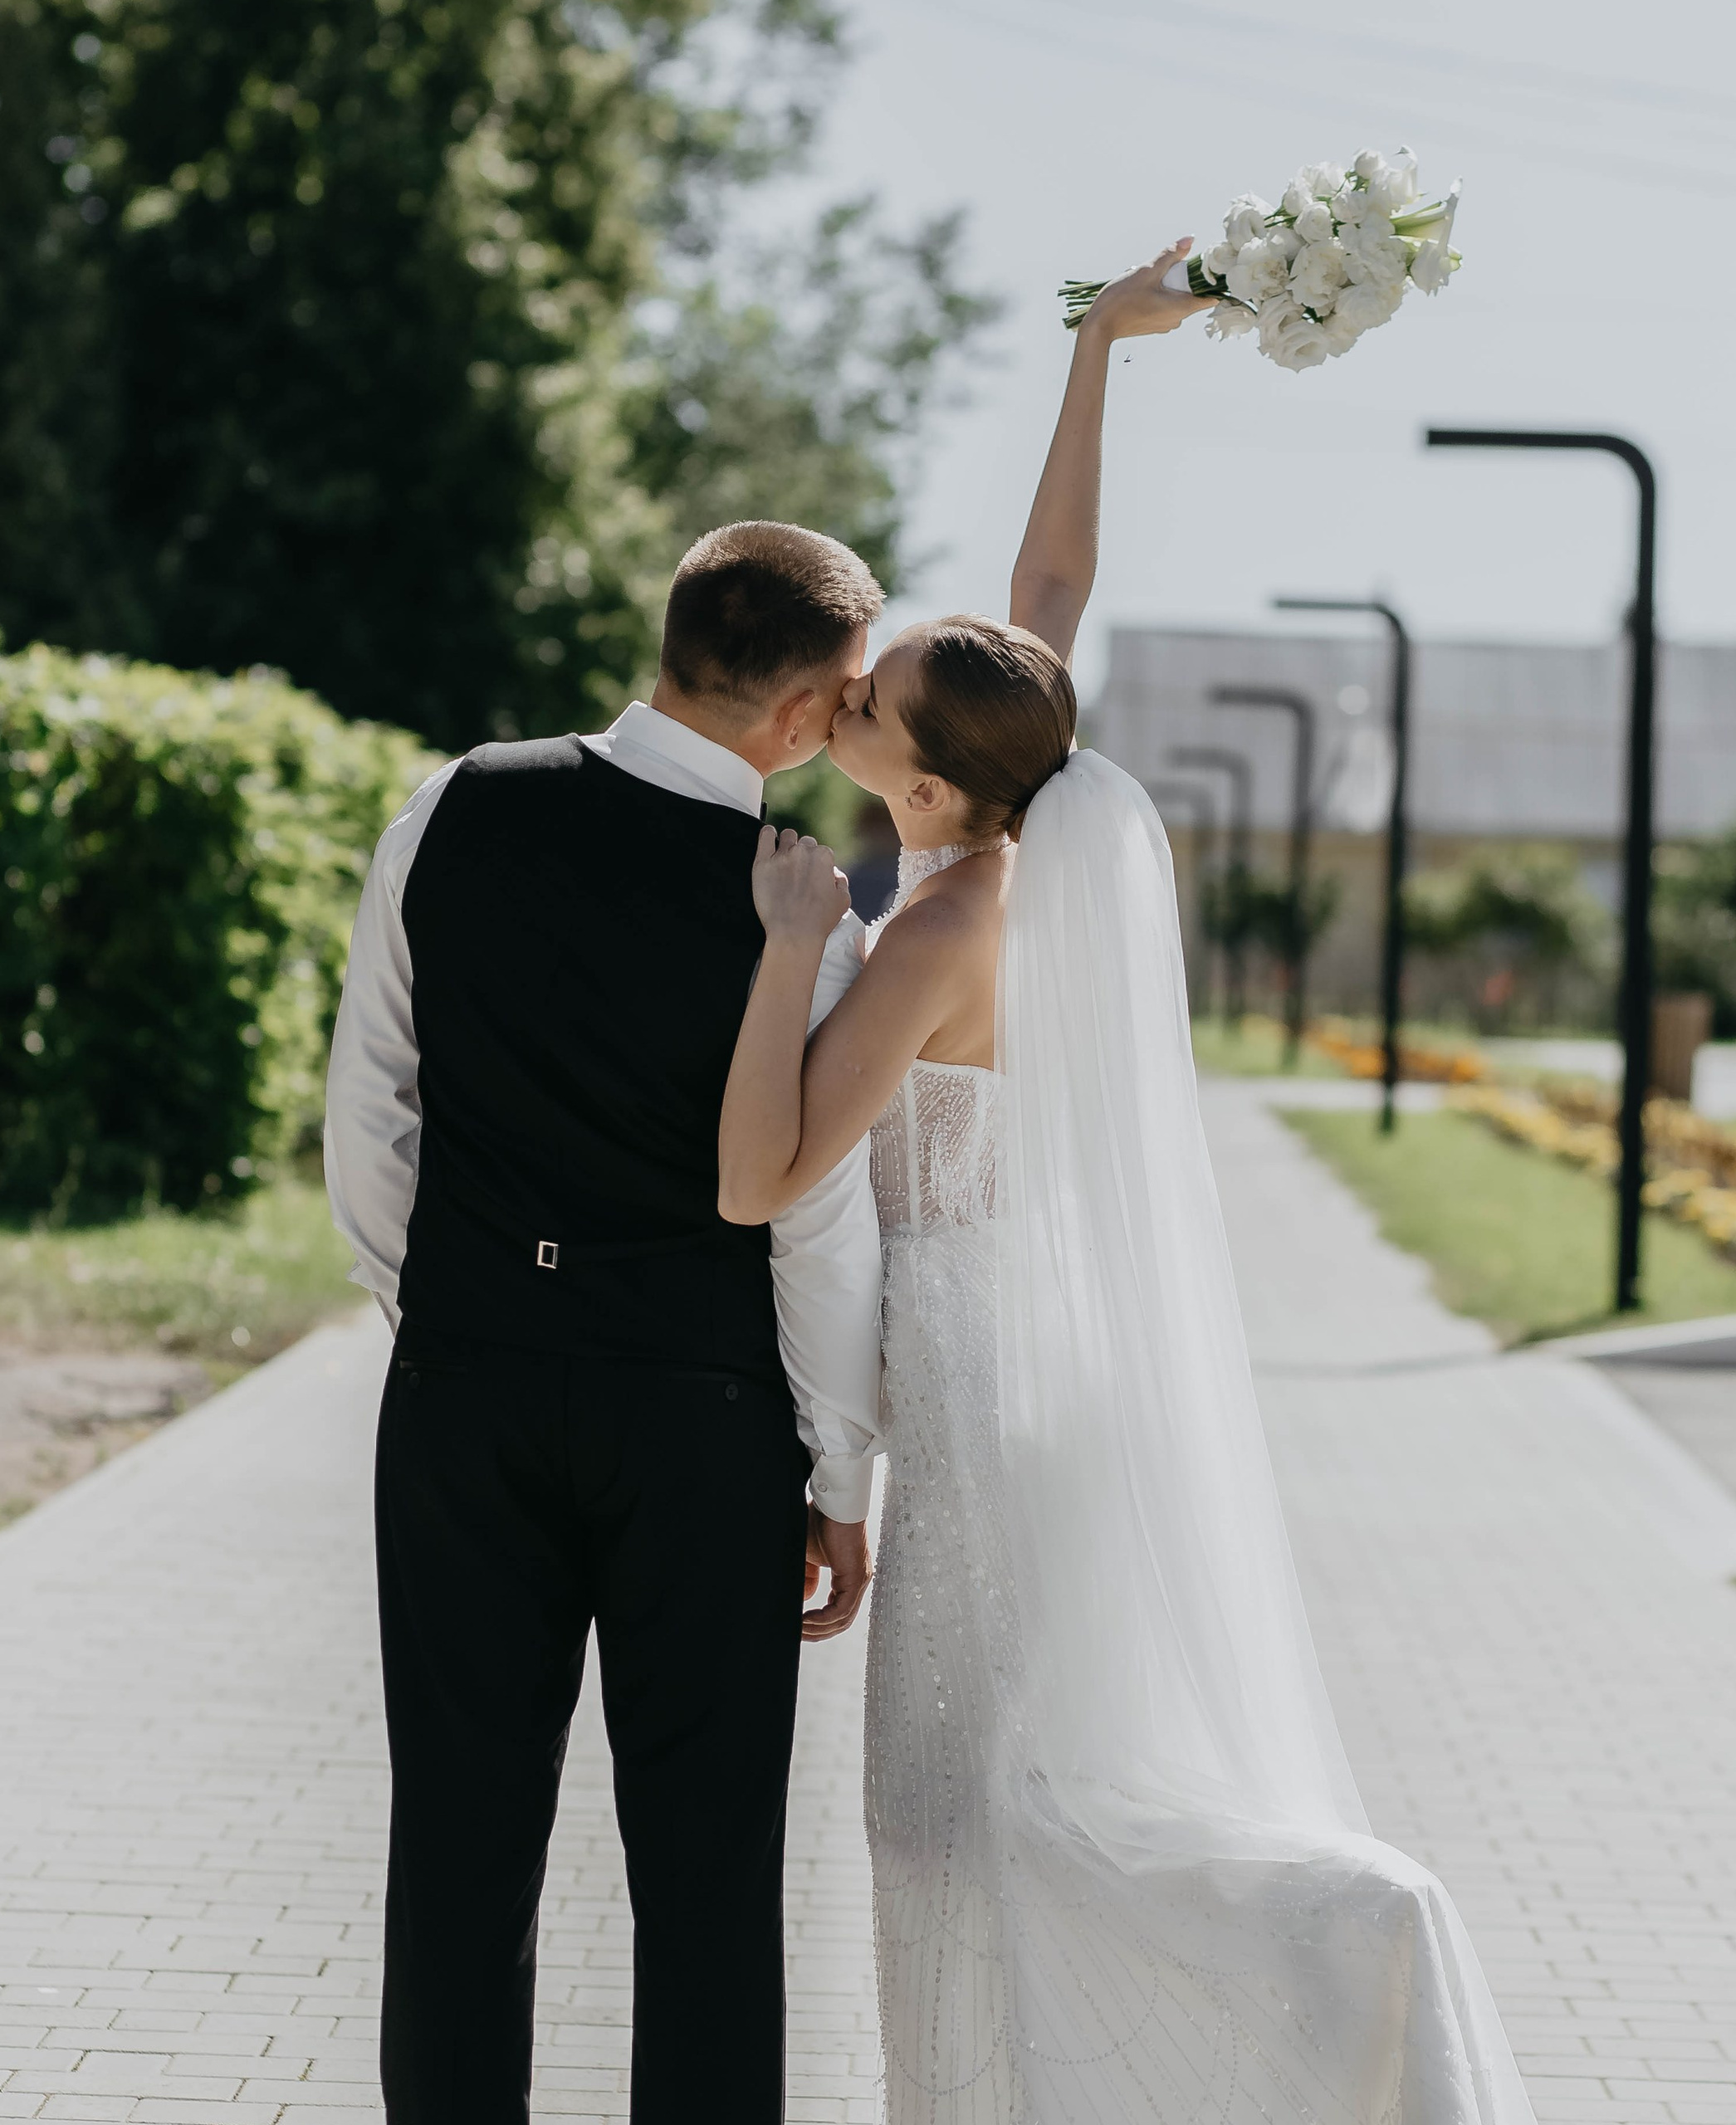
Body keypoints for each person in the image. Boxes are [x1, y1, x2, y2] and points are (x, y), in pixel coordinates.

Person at [718, 239, 1537, 2123]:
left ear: (922, 785)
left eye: (867, 705)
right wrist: (1099, 347)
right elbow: (1045, 594)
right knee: (1000, 1796)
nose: (843, 695)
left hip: (992, 1401)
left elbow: (767, 1171)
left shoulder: (930, 930)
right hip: (1011, 1353)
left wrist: (787, 940)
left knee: (963, 1811)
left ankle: (1350, 1950)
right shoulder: (1000, 817)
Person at [323, 522, 888, 2123]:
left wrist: (448, 1320)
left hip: (464, 1391)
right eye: (847, 703)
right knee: (708, 1876)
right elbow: (813, 1228)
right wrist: (839, 1476)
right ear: (801, 715)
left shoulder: (451, 804)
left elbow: (371, 1117)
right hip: (699, 1428)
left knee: (456, 1850)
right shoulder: (806, 922)